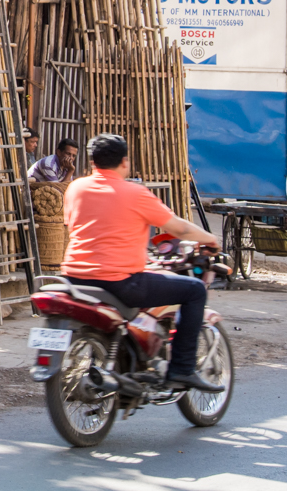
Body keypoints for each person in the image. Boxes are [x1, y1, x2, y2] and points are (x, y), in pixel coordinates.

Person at [61, 133, 224, 394]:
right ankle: (181, 369)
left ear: (92, 161)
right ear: (124, 162)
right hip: (119, 282)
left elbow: (82, 227)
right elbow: (178, 228)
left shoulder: (75, 188)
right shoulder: (135, 193)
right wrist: (211, 238)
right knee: (193, 290)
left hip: (73, 277)